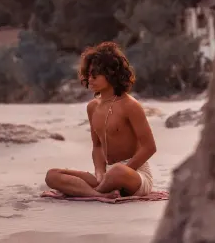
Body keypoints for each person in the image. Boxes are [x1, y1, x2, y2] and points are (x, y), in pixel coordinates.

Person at [45, 42, 157, 199]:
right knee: (52, 175)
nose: (90, 79)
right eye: (88, 74)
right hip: (107, 173)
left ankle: (91, 193)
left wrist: (126, 169)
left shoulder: (130, 105)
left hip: (134, 173)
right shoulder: (92, 107)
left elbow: (149, 147)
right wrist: (99, 173)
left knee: (118, 171)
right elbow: (97, 146)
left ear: (111, 74)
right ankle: (100, 193)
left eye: (95, 75)